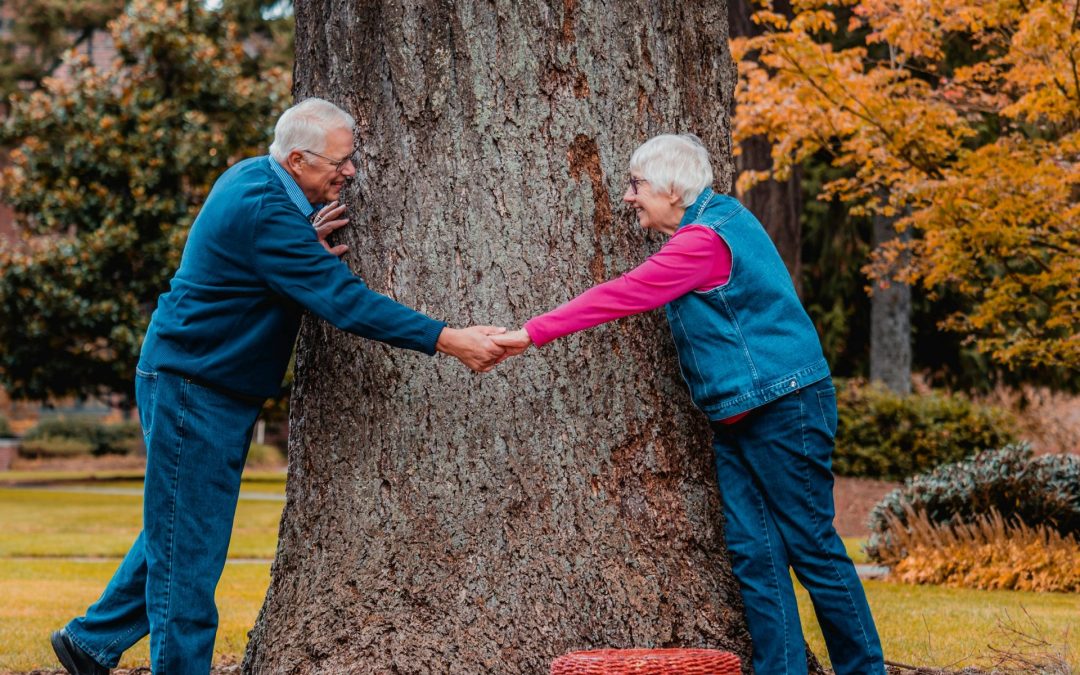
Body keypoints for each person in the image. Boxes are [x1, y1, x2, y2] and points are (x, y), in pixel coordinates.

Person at [50, 98, 506, 675]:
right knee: (190, 552)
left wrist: (299, 240)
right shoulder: (268, 210)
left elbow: (264, 256)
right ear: (297, 159)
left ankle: (89, 644)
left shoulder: (254, 180)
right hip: (195, 387)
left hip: (205, 381)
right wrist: (449, 339)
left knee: (178, 525)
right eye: (339, 163)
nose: (350, 173)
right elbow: (345, 302)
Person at [493, 134, 885, 675]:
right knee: (756, 555)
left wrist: (528, 334)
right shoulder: (717, 220)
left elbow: (624, 293)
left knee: (812, 547)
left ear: (673, 188)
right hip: (740, 415)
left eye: (637, 184)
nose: (628, 196)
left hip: (784, 406)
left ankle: (865, 669)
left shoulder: (704, 240)